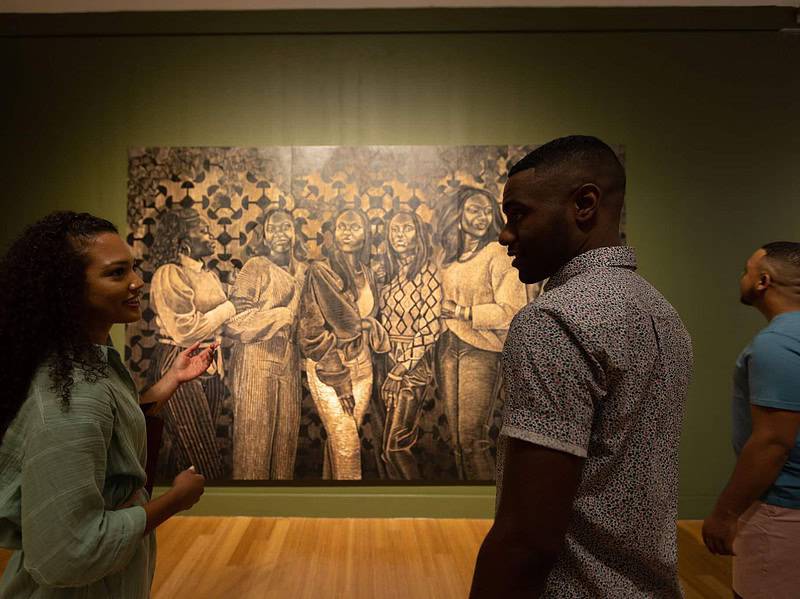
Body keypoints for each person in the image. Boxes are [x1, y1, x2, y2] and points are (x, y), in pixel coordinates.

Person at [470, 136, 693, 598]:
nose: (505, 234)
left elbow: (527, 539)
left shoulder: (553, 322)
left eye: (519, 214)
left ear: (584, 204)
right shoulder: (660, 312)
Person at [0, 211, 208, 598]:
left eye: (132, 268)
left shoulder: (84, 360)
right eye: (117, 274)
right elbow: (67, 553)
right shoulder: (71, 398)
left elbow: (113, 428)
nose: (136, 282)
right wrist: (175, 499)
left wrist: (172, 379)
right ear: (66, 289)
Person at [702, 242, 800, 599]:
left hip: (782, 512)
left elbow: (772, 443)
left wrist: (725, 515)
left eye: (746, 270)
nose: (741, 278)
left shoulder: (776, 344)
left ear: (763, 280)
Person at [436, 185, 527, 480]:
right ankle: (462, 505)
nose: (482, 217)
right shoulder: (448, 258)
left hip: (482, 349)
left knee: (472, 437)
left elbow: (512, 311)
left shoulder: (498, 253)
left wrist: (463, 312)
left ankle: (486, 511)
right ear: (458, 213)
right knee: (457, 442)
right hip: (449, 345)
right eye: (474, 209)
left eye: (487, 211)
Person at [299, 207, 390, 480]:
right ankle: (351, 512)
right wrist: (339, 379)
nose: (348, 231)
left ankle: (330, 508)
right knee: (347, 445)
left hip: (363, 367)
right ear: (333, 234)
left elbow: (366, 319)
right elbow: (311, 333)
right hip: (330, 368)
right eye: (342, 226)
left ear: (365, 234)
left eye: (355, 226)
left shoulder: (369, 274)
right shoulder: (320, 272)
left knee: (339, 442)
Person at [149, 208, 235, 480]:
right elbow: (186, 331)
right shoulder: (169, 274)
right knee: (204, 458)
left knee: (183, 453)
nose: (212, 236)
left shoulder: (208, 275)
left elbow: (219, 324)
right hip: (179, 359)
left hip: (209, 364)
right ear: (183, 242)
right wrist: (230, 308)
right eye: (203, 230)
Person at [225, 208, 308, 480]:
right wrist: (280, 316)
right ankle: (248, 508)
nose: (280, 234)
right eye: (273, 228)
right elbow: (235, 320)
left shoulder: (304, 271)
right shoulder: (256, 267)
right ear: (264, 234)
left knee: (285, 445)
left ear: (296, 232)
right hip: (255, 360)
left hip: (289, 362)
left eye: (286, 227)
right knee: (254, 444)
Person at [378, 210, 442, 479]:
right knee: (386, 450)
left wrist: (400, 368)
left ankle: (416, 505)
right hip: (387, 361)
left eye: (406, 229)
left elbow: (431, 328)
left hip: (411, 367)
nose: (399, 235)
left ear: (418, 234)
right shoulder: (389, 275)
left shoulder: (429, 273)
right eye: (394, 230)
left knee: (396, 447)